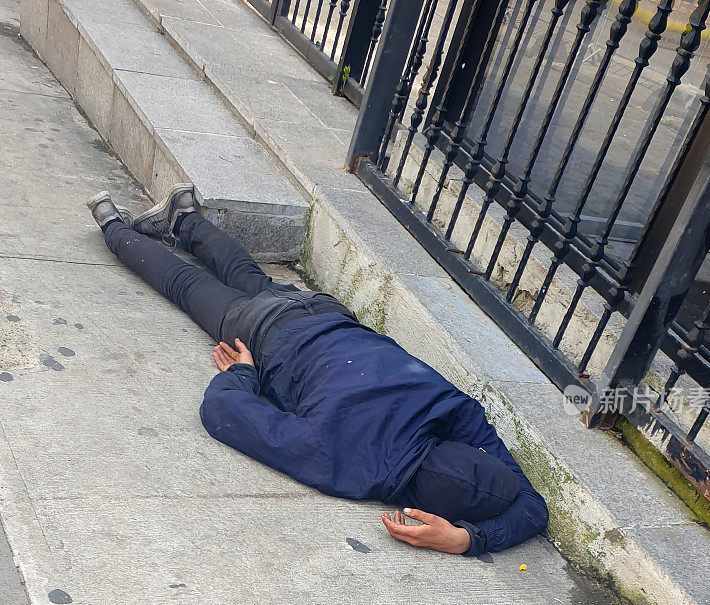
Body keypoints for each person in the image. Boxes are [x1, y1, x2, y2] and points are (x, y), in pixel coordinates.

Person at [87, 185, 548, 556]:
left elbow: (532, 507)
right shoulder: (347, 464)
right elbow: (223, 412)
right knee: (187, 286)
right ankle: (112, 225)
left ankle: (185, 216)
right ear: (423, 510)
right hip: (266, 336)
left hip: (327, 313)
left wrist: (472, 536)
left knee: (248, 274)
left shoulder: (456, 414)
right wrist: (242, 375)